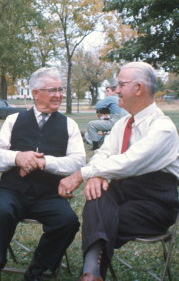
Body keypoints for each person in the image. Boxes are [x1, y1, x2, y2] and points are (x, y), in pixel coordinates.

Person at [58, 62, 179, 281]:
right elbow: (104, 153)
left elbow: (130, 162)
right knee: (98, 196)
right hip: (121, 193)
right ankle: (92, 275)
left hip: (154, 203)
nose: (116, 90)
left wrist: (82, 174)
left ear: (139, 88)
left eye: (121, 84)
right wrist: (95, 174)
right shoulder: (123, 123)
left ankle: (89, 273)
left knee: (99, 218)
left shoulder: (163, 128)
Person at [0, 67, 86, 281]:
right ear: (36, 93)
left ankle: (38, 269)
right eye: (52, 90)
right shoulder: (13, 120)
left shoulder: (69, 125)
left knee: (68, 221)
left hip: (48, 194)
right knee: (1, 212)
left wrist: (44, 162)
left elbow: (78, 162)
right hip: (11, 190)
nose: (58, 95)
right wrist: (17, 157)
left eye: (60, 89)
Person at [86, 85, 127, 150]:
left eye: (108, 91)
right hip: (125, 123)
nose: (106, 93)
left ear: (114, 92)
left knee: (91, 125)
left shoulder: (111, 98)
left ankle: (95, 147)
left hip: (116, 123)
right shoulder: (122, 99)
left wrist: (104, 101)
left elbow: (97, 106)